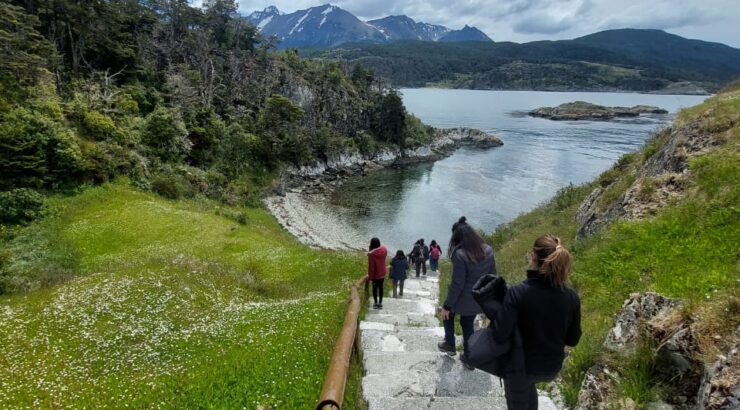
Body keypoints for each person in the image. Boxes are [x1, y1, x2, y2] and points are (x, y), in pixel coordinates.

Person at [494, 234, 581, 410]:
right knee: (529, 388)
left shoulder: (518, 292)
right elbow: (573, 340)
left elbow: (500, 334)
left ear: (533, 256)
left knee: (518, 398)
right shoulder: (571, 297)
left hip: (521, 367)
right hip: (551, 366)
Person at [438, 223, 496, 369]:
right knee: (467, 323)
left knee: (447, 315)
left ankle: (450, 344)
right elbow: (493, 275)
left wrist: (447, 305)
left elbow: (458, 284)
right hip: (478, 299)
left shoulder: (460, 255)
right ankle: (470, 358)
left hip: (462, 299)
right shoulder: (488, 250)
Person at [367, 237, 388, 309]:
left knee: (375, 288)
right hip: (382, 272)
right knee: (381, 287)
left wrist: (370, 277)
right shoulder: (384, 249)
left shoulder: (371, 254)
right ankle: (380, 302)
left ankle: (375, 302)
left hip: (376, 275)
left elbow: (371, 267)